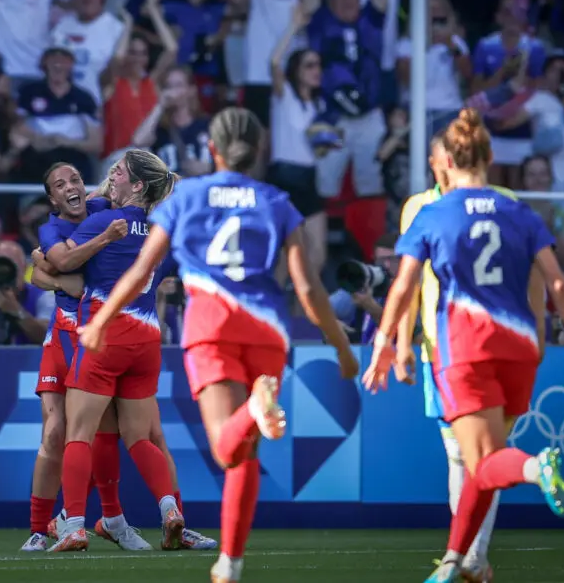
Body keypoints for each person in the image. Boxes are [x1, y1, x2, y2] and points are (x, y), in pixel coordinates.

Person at [79, 108, 357, 583]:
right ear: (261, 149)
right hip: (267, 330)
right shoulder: (277, 200)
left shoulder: (186, 196)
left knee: (230, 448)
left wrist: (101, 319)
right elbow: (308, 288)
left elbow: (143, 270)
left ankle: (253, 413)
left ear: (212, 148)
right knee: (245, 455)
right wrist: (342, 348)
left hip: (212, 327)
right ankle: (229, 562)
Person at [362, 109, 564, 583]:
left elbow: (404, 286)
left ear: (445, 162)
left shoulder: (433, 213)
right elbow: (558, 284)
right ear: (490, 157)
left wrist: (386, 341)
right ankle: (460, 561)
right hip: (520, 345)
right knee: (479, 459)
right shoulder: (518, 209)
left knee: (480, 461)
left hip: (464, 347)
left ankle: (534, 468)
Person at [35, 162, 217, 554]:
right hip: (148, 341)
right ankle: (170, 511)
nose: (108, 176)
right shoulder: (160, 234)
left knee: (78, 434)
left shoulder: (102, 223)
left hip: (104, 337)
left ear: (136, 185)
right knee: (142, 437)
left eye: (117, 172)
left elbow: (60, 263)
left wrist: (40, 263)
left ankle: (75, 526)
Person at [395, 130, 547, 583]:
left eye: (444, 155)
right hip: (435, 349)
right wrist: (403, 340)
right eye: (435, 157)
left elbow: (534, 272)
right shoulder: (418, 207)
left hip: (488, 344)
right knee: (460, 457)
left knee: (478, 455)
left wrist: (537, 327)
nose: (439, 163)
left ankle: (468, 553)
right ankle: (469, 555)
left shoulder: (502, 198)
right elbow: (410, 282)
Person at [19, 161, 147, 552]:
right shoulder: (54, 228)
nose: (70, 186)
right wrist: (50, 271)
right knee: (55, 431)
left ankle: (111, 519)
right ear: (52, 198)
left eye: (75, 178)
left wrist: (46, 270)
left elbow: (54, 272)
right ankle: (40, 528)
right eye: (60, 184)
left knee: (104, 432)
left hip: (101, 337)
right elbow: (55, 270)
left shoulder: (102, 209)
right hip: (63, 337)